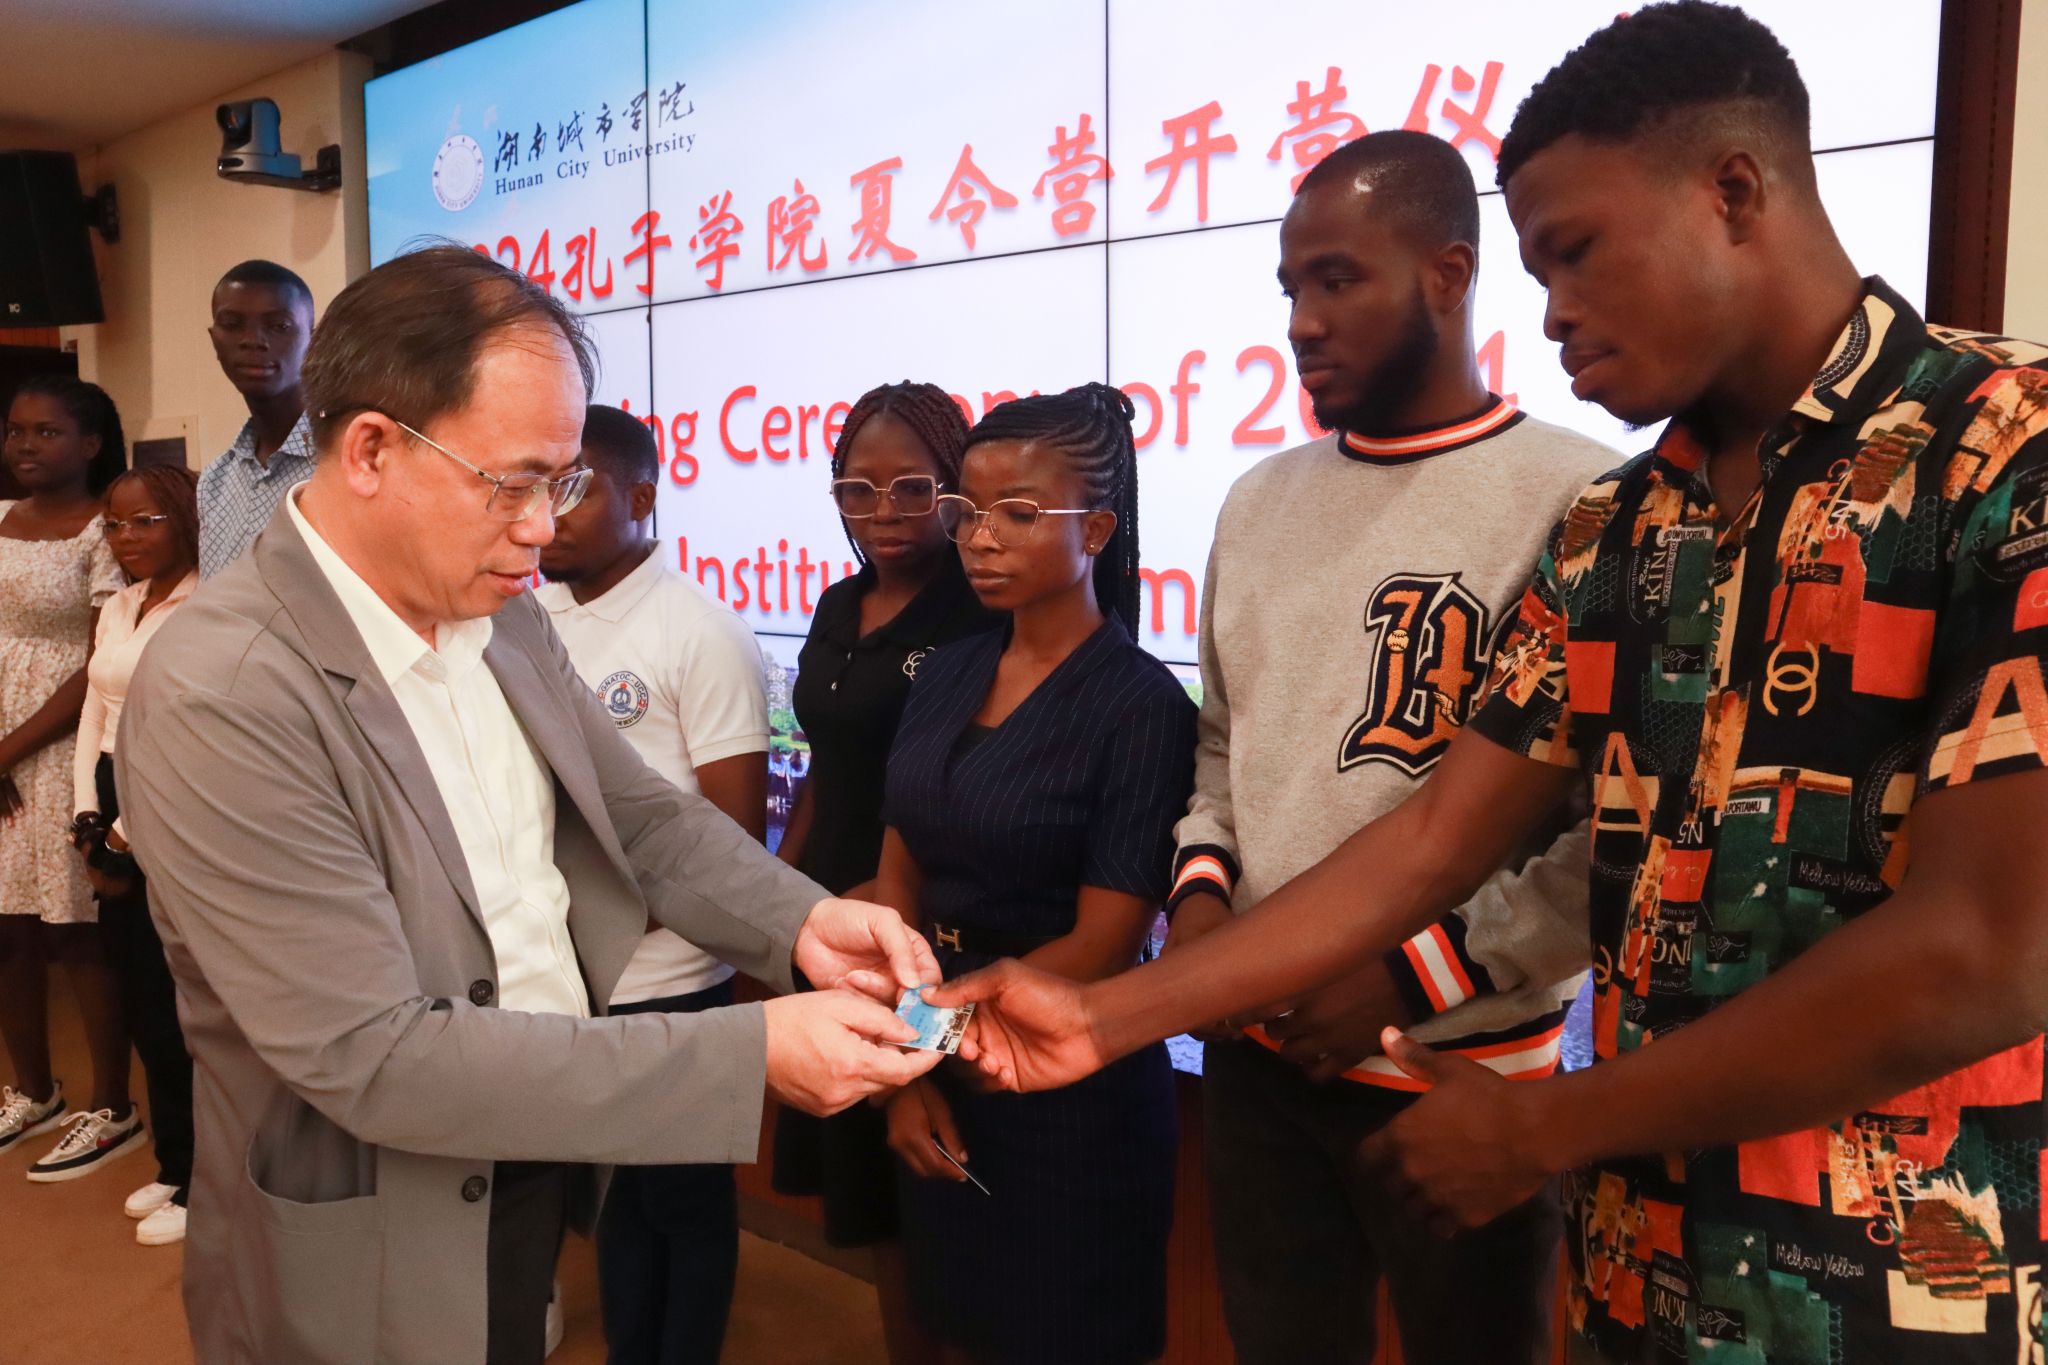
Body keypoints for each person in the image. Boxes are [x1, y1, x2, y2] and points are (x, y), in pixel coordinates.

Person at [936, 5, 2048, 1362]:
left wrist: (1537, 1116)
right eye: (1536, 268)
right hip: (1640, 1271)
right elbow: (1435, 833)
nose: (1554, 310)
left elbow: (1993, 944)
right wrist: (1105, 1014)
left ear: (1733, 191)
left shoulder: (2005, 449)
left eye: (1574, 253)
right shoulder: (1619, 526)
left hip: (1901, 1292)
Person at [115, 244, 944, 1365]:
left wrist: (801, 922)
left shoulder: (500, 610)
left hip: (533, 1149)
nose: (544, 525)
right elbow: (374, 1055)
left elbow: (634, 814)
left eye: (563, 483)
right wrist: (747, 1053)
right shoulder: (227, 689)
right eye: (513, 482)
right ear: (370, 450)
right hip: (372, 1217)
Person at [1164, 129, 1614, 1365]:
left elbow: (1611, 832)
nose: (1301, 322)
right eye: (1289, 288)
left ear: (1447, 273)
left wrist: (1414, 976)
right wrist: (1201, 908)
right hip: (1259, 1065)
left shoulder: (1582, 499)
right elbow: (1223, 745)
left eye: (1337, 279)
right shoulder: (1255, 502)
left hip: (1458, 1075)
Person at [878, 384, 1194, 1365]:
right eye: (966, 512)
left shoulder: (1141, 706)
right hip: (934, 1059)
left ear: (1095, 528)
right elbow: (896, 879)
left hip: (1071, 1100)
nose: (979, 539)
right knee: (952, 1330)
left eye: (1016, 514)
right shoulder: (946, 670)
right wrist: (908, 1067)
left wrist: (922, 1043)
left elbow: (1101, 945)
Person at [535, 403, 770, 1365]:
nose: (549, 512)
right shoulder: (524, 618)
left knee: (686, 1203)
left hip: (672, 982)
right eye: (540, 485)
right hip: (566, 973)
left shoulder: (698, 630)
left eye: (576, 489)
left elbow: (732, 837)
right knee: (613, 1201)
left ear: (641, 497)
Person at [769, 380, 995, 1364]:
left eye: (912, 488)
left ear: (956, 489)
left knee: (934, 1198)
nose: (885, 512)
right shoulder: (838, 602)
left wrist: (913, 973)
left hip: (925, 931)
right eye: (857, 491)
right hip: (829, 921)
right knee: (870, 1197)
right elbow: (827, 766)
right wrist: (776, 899)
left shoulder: (980, 613)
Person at [0, 376, 132, 1178]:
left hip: (57, 741)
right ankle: (32, 1088)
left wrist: (7, 749)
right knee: (7, 928)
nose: (24, 445)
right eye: (16, 430)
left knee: (73, 929)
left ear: (90, 443)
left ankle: (112, 1104)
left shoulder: (102, 531)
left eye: (45, 432)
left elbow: (96, 661)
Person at [69, 464, 201, 1243]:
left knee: (186, 1006)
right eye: (114, 524)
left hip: (174, 795)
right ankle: (175, 1161)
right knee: (144, 1001)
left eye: (145, 520)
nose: (126, 537)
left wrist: (125, 834)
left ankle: (208, 1178)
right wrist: (88, 814)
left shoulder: (209, 604)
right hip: (113, 790)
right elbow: (96, 706)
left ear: (184, 516)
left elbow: (188, 734)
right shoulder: (120, 604)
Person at [196, 259, 317, 578]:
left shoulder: (343, 463)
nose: (253, 340)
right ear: (214, 339)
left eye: (279, 326)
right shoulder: (215, 480)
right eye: (233, 324)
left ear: (314, 341)